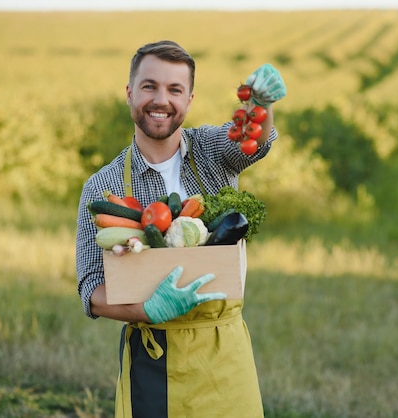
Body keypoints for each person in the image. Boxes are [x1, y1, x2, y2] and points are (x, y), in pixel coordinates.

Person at [75, 40, 286, 418]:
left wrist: (262, 105)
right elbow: (91, 289)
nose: (161, 100)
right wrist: (148, 310)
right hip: (153, 359)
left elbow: (251, 142)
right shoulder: (102, 186)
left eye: (174, 89)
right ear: (129, 93)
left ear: (189, 99)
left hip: (223, 353)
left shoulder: (209, 150)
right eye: (149, 86)